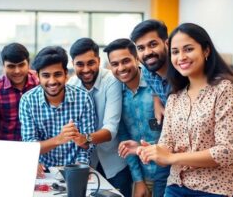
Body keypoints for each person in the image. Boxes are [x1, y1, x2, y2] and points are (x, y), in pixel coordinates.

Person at [137, 23, 233, 196]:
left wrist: (171, 158)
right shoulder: (175, 97)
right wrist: (152, 151)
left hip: (216, 189)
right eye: (175, 52)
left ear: (206, 51)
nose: (181, 57)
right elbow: (167, 144)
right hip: (177, 185)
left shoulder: (226, 90)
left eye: (188, 49)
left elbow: (226, 152)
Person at [104, 39, 169, 197]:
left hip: (170, 172)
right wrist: (138, 180)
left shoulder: (157, 85)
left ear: (137, 58)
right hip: (143, 174)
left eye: (126, 61)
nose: (121, 68)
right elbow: (124, 140)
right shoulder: (116, 95)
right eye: (115, 64)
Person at [68, 38, 132, 197]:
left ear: (98, 60)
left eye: (91, 63)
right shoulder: (71, 85)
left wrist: (85, 139)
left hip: (114, 163)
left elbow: (111, 129)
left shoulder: (111, 81)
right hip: (84, 163)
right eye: (80, 64)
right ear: (73, 63)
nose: (86, 69)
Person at [19, 46, 96, 177]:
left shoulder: (83, 98)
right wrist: (59, 139)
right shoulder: (27, 101)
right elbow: (30, 147)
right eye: (46, 75)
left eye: (57, 74)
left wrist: (79, 168)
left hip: (76, 169)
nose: (52, 81)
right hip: (43, 171)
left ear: (66, 74)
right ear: (37, 76)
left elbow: (88, 146)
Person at [0, 43, 38, 141]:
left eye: (21, 65)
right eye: (11, 66)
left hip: (37, 145)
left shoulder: (39, 82)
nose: (17, 71)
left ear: (28, 64)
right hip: (6, 146)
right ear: (4, 66)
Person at [130, 20, 170, 124]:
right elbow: (154, 89)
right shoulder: (147, 71)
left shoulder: (183, 72)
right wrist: (157, 102)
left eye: (153, 44)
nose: (147, 52)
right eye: (141, 48)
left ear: (167, 44)